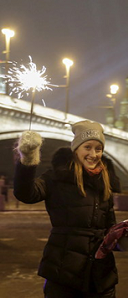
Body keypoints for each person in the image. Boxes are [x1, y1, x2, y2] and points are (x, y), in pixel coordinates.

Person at [13, 120, 121, 297]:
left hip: (101, 277)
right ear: (76, 149)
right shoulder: (56, 177)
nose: (93, 154)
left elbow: (110, 228)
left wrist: (127, 236)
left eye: (98, 149)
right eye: (87, 147)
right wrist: (28, 158)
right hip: (63, 274)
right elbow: (26, 194)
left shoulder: (105, 180)